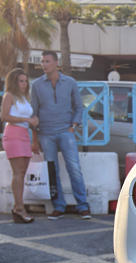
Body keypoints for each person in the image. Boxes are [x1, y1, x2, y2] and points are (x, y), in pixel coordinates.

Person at [31, 50, 91, 220]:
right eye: (42, 61)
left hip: (66, 131)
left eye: (47, 61)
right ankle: (59, 206)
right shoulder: (36, 85)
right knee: (52, 170)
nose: (44, 64)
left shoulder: (70, 82)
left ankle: (83, 205)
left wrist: (73, 126)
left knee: (74, 168)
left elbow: (79, 107)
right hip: (45, 134)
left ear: (56, 63)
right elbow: (33, 113)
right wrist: (34, 139)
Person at [1, 68, 39, 223]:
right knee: (18, 172)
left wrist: (33, 124)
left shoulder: (24, 97)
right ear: (14, 82)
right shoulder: (9, 95)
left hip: (24, 134)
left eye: (25, 81)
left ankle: (19, 207)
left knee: (22, 173)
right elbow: (4, 116)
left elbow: (28, 119)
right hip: (13, 134)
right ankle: (19, 208)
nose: (24, 84)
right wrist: (28, 121)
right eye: (20, 81)